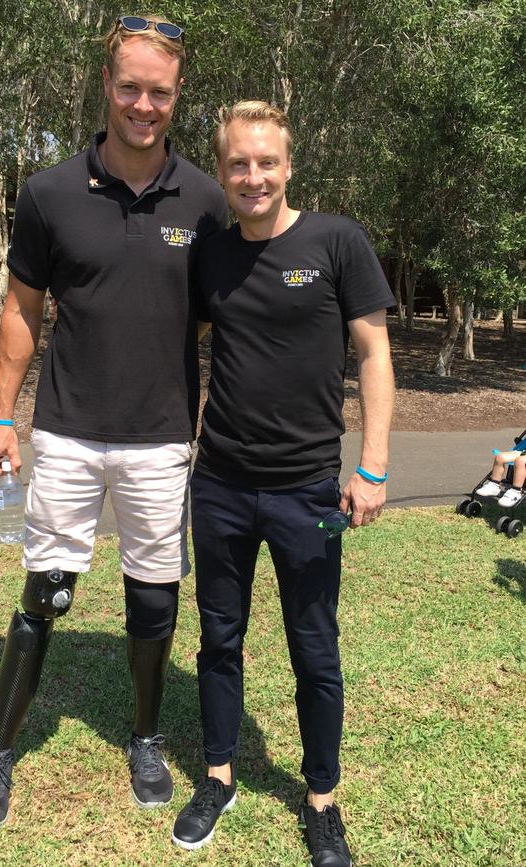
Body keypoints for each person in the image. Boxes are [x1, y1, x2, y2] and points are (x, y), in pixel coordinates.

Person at [0, 14, 227, 831]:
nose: (143, 105)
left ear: (177, 96)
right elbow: (20, 312)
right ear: (105, 86)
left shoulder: (208, 201)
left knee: (155, 593)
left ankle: (146, 737)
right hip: (69, 430)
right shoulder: (47, 193)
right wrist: (2, 415)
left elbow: (227, 313)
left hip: (161, 436)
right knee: (48, 587)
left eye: (159, 92)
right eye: (129, 87)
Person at [171, 101, 395, 865]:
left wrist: (371, 468)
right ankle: (219, 775)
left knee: (315, 646)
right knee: (219, 638)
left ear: (289, 165)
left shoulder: (337, 241)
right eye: (238, 163)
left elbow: (373, 357)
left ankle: (322, 801)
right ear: (223, 170)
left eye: (267, 162)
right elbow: (184, 336)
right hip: (222, 485)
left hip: (311, 492)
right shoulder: (213, 254)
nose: (253, 176)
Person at [476, 438, 526, 507]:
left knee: (520, 461)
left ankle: (516, 492)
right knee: (500, 457)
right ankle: (494, 485)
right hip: (524, 451)